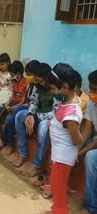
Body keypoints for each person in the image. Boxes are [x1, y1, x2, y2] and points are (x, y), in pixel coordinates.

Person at [40, 64, 84, 214]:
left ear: (64, 86)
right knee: (57, 186)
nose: (52, 92)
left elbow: (77, 139)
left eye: (53, 88)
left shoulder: (71, 115)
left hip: (63, 158)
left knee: (57, 190)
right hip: (60, 155)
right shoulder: (66, 99)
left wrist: (75, 152)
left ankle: (59, 210)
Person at [14, 63, 59, 177]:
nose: (36, 83)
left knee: (43, 128)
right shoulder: (38, 86)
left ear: (46, 78)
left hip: (48, 118)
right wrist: (30, 114)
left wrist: (35, 117)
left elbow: (55, 113)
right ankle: (23, 153)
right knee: (20, 116)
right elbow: (33, 102)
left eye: (38, 80)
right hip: (37, 114)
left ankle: (37, 165)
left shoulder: (55, 89)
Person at [77, 70, 97, 214]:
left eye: (95, 89)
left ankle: (90, 207)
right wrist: (76, 149)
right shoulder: (92, 102)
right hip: (94, 137)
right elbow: (88, 128)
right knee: (71, 146)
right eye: (90, 88)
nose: (91, 92)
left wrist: (81, 153)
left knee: (90, 158)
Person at [1, 61, 28, 155]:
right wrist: (8, 103)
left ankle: (11, 145)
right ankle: (2, 140)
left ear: (18, 74)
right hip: (14, 103)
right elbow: (13, 95)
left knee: (9, 120)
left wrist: (13, 107)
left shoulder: (25, 83)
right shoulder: (14, 81)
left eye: (12, 75)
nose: (11, 77)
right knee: (0, 113)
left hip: (21, 105)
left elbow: (23, 101)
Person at [0, 53, 12, 140]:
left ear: (8, 63)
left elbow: (12, 88)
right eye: (0, 64)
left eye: (3, 64)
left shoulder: (11, 74)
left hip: (7, 93)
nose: (1, 66)